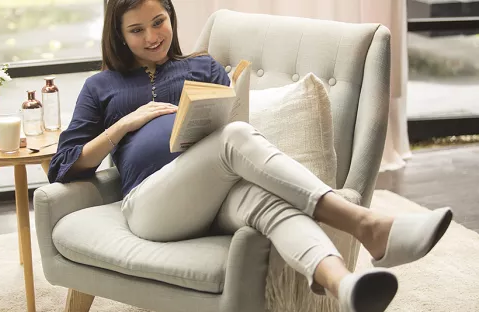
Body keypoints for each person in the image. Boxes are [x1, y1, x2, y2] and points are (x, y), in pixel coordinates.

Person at [48, 0, 453, 311]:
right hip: (150, 207)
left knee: (268, 204)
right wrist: (123, 125)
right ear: (119, 36)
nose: (153, 36)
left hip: (217, 195)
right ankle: (369, 227)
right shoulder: (101, 86)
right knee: (235, 136)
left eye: (159, 22)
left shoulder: (203, 67)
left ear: (171, 15)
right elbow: (62, 165)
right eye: (136, 30)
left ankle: (341, 285)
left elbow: (237, 122)